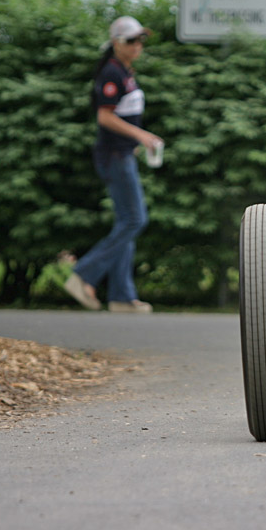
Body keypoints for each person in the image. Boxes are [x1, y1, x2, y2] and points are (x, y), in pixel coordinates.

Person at [63, 16, 163, 313]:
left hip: (121, 154)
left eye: (140, 40)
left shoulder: (124, 71)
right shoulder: (111, 72)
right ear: (116, 43)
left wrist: (133, 142)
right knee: (135, 220)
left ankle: (121, 295)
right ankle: (83, 274)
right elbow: (105, 117)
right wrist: (141, 136)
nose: (137, 46)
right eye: (131, 41)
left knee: (126, 224)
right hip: (114, 157)